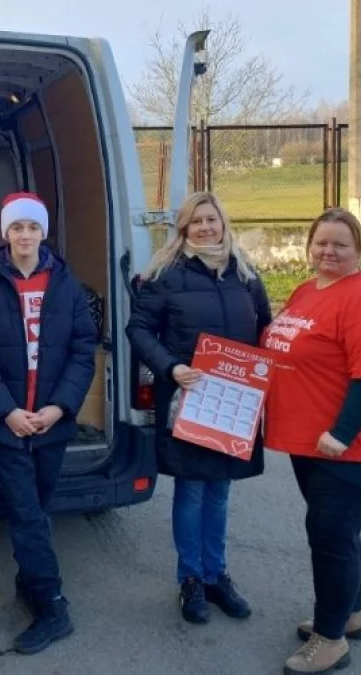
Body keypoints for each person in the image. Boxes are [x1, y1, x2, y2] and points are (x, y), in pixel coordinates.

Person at [260, 207, 361, 675]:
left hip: (349, 450)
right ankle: (352, 613)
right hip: (311, 445)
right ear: (309, 246)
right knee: (339, 533)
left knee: (331, 539)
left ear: (359, 249)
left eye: (341, 244)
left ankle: (330, 639)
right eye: (321, 242)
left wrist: (341, 434)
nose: (329, 251)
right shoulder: (307, 291)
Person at [0, 192, 98, 655]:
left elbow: (83, 349)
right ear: (5, 233)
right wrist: (6, 411)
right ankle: (53, 606)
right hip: (8, 424)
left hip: (51, 421)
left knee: (37, 506)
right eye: (16, 227)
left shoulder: (66, 284)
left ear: (43, 232)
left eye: (32, 227)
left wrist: (60, 407)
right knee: (26, 511)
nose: (24, 235)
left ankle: (29, 581)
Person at [125, 191, 272, 625]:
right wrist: (171, 367)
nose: (206, 228)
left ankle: (216, 575)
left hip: (234, 403)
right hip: (188, 399)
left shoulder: (245, 274)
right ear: (184, 228)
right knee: (191, 491)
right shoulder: (165, 275)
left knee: (220, 491)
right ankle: (190, 578)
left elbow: (265, 328)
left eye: (212, 219)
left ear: (223, 223)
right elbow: (138, 329)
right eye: (196, 221)